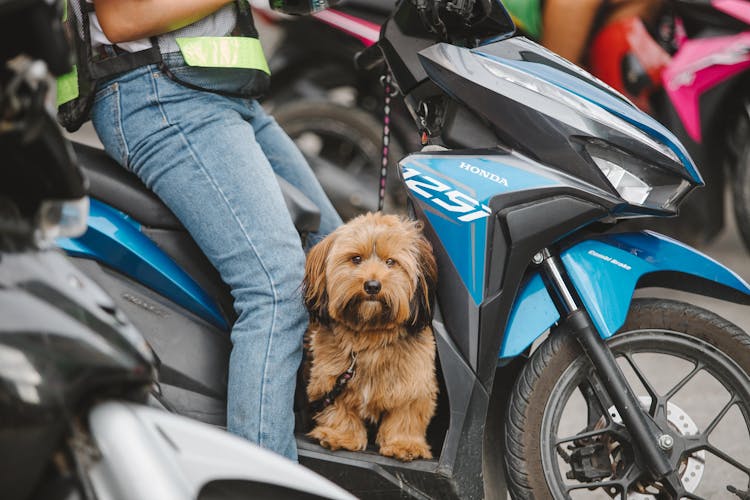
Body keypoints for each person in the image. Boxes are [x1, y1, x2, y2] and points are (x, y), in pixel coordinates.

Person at [89, 0, 342, 461]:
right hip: (158, 97)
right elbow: (120, 19)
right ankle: (262, 485)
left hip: (228, 97)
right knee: (278, 285)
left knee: (338, 259)